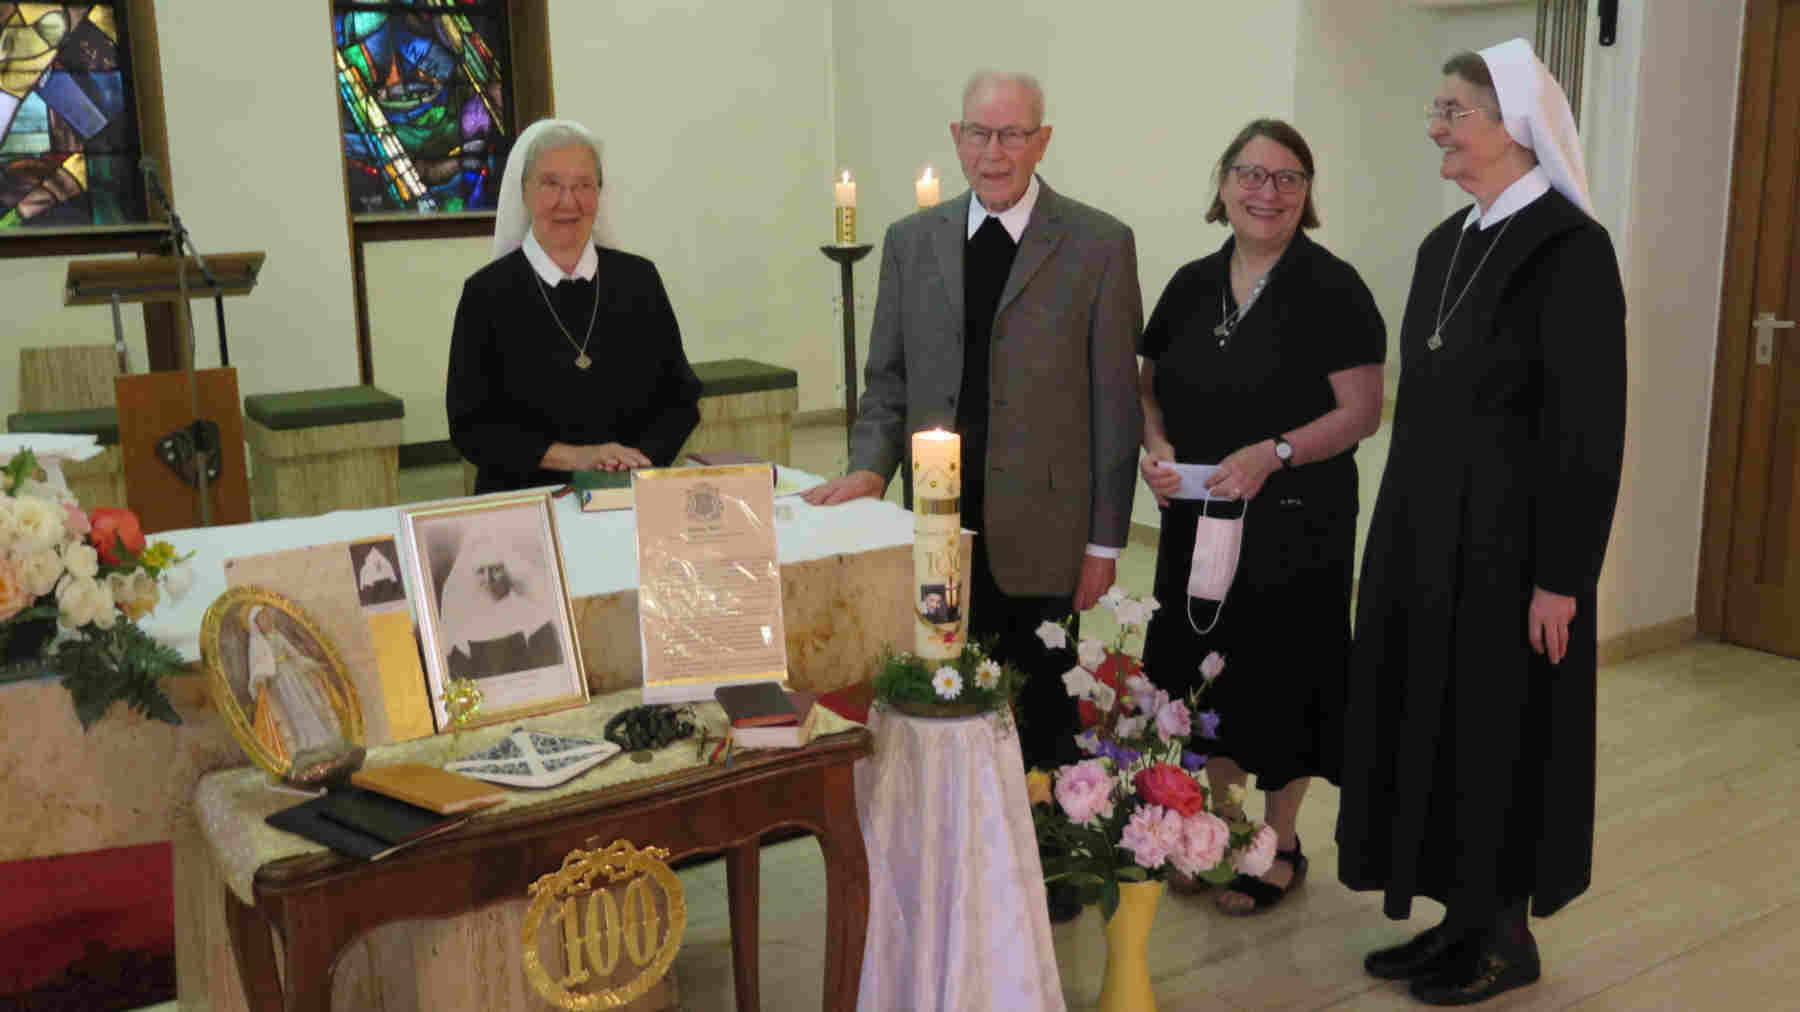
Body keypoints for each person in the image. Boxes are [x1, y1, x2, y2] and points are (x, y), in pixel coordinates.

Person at [1336, 39, 1626, 1006]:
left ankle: (1506, 936)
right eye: (1438, 110)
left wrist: (1563, 575)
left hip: (1513, 554)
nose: (1436, 129)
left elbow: (1590, 427)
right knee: (1435, 722)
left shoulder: (1570, 250)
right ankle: (1457, 920)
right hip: (1425, 539)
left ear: (1514, 124)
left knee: (1499, 733)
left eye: (1454, 111)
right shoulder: (1445, 243)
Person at [801, 70, 1143, 771]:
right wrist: (870, 467)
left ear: (1041, 141)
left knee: (1041, 710)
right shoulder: (911, 241)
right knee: (940, 703)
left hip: (1045, 528)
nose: (995, 151)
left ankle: (1046, 867)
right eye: (980, 133)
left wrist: (1105, 544)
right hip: (936, 522)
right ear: (957, 140)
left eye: (1013, 134)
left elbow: (1116, 403)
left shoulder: (1097, 245)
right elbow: (887, 383)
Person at [1136, 119, 1384, 915]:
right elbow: (1147, 388)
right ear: (1222, 182)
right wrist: (1156, 448)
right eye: (1249, 174)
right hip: (1199, 516)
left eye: (1286, 179)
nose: (1264, 192)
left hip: (1296, 523)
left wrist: (1274, 452)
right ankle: (1218, 828)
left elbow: (1362, 412)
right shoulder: (1187, 285)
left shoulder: (1334, 288)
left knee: (1287, 675)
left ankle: (1279, 840)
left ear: (1307, 195)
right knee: (1205, 668)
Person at [448, 119, 702, 494]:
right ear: (525, 193)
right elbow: (472, 427)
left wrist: (632, 460)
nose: (569, 201)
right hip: (526, 504)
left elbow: (680, 399)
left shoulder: (639, 281)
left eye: (584, 185)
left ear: (599, 194)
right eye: (552, 184)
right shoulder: (486, 294)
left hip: (629, 497)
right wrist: (578, 458)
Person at [439, 533, 561, 679]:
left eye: (495, 569)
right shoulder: (465, 628)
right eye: (480, 571)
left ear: (509, 571)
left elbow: (551, 676)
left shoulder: (536, 619)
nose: (488, 578)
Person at [245, 605, 349, 768]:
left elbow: (294, 654)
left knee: (307, 704)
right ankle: (303, 744)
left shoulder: (277, 636)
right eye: (262, 619)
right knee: (293, 711)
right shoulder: (257, 643)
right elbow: (257, 666)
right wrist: (260, 679)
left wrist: (311, 664)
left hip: (294, 676)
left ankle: (320, 739)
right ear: (256, 624)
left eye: (267, 617)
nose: (266, 621)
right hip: (278, 682)